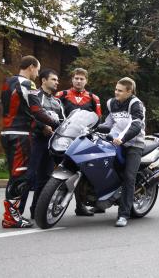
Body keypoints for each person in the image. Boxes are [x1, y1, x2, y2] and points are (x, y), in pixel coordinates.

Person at [0, 55, 60, 228]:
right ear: (32, 67)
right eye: (38, 70)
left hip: (6, 132)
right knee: (21, 178)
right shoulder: (28, 84)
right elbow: (37, 110)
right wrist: (57, 123)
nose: (37, 74)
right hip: (20, 134)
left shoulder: (7, 81)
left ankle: (10, 215)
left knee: (14, 176)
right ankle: (12, 218)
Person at [18, 69, 65, 219]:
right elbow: (30, 115)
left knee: (45, 179)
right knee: (29, 177)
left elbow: (63, 122)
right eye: (53, 79)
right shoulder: (35, 95)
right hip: (36, 140)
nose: (57, 82)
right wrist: (42, 127)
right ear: (43, 80)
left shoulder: (58, 101)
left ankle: (35, 211)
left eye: (57, 80)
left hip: (51, 143)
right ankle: (17, 213)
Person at [55, 67, 102, 216]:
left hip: (84, 139)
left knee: (83, 172)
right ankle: (40, 205)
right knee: (56, 170)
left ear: (86, 81)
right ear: (72, 79)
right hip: (63, 137)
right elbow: (54, 113)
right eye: (76, 78)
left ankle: (81, 205)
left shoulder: (94, 98)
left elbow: (98, 119)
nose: (79, 81)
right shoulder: (62, 95)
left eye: (82, 79)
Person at [102, 77, 146, 227]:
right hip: (115, 141)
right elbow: (108, 123)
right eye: (116, 89)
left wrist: (122, 138)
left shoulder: (136, 104)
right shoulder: (111, 103)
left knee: (129, 177)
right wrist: (92, 128)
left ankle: (123, 215)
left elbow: (136, 124)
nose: (116, 92)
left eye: (120, 90)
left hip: (134, 144)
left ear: (129, 91)